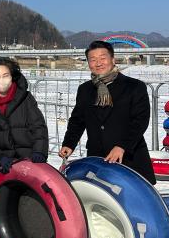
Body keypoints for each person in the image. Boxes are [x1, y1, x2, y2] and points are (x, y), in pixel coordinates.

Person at [60, 40, 155, 183]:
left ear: (113, 59)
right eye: (93, 60)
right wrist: (69, 143)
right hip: (98, 158)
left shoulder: (134, 87)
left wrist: (122, 146)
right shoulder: (85, 89)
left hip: (130, 158)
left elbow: (140, 121)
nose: (98, 63)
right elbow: (77, 120)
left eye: (103, 58)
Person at [0, 58, 49, 178]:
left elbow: (38, 127)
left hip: (27, 163)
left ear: (12, 77)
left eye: (5, 75)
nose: (1, 80)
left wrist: (39, 151)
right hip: (0, 166)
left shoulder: (26, 99)